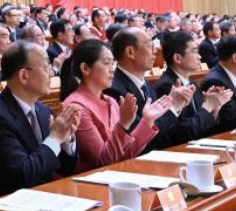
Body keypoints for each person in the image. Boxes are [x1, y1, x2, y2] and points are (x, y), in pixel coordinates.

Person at [0, 42, 81, 199]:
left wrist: (66, 139)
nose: (52, 74)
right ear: (23, 76)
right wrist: (54, 138)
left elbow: (65, 169)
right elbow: (21, 176)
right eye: (46, 67)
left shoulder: (42, 110)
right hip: (8, 207)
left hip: (44, 199)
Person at [62, 39, 169, 172]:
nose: (113, 69)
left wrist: (147, 121)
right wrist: (123, 125)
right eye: (107, 63)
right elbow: (102, 162)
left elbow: (126, 154)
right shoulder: (76, 107)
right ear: (85, 68)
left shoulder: (111, 101)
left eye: (113, 63)